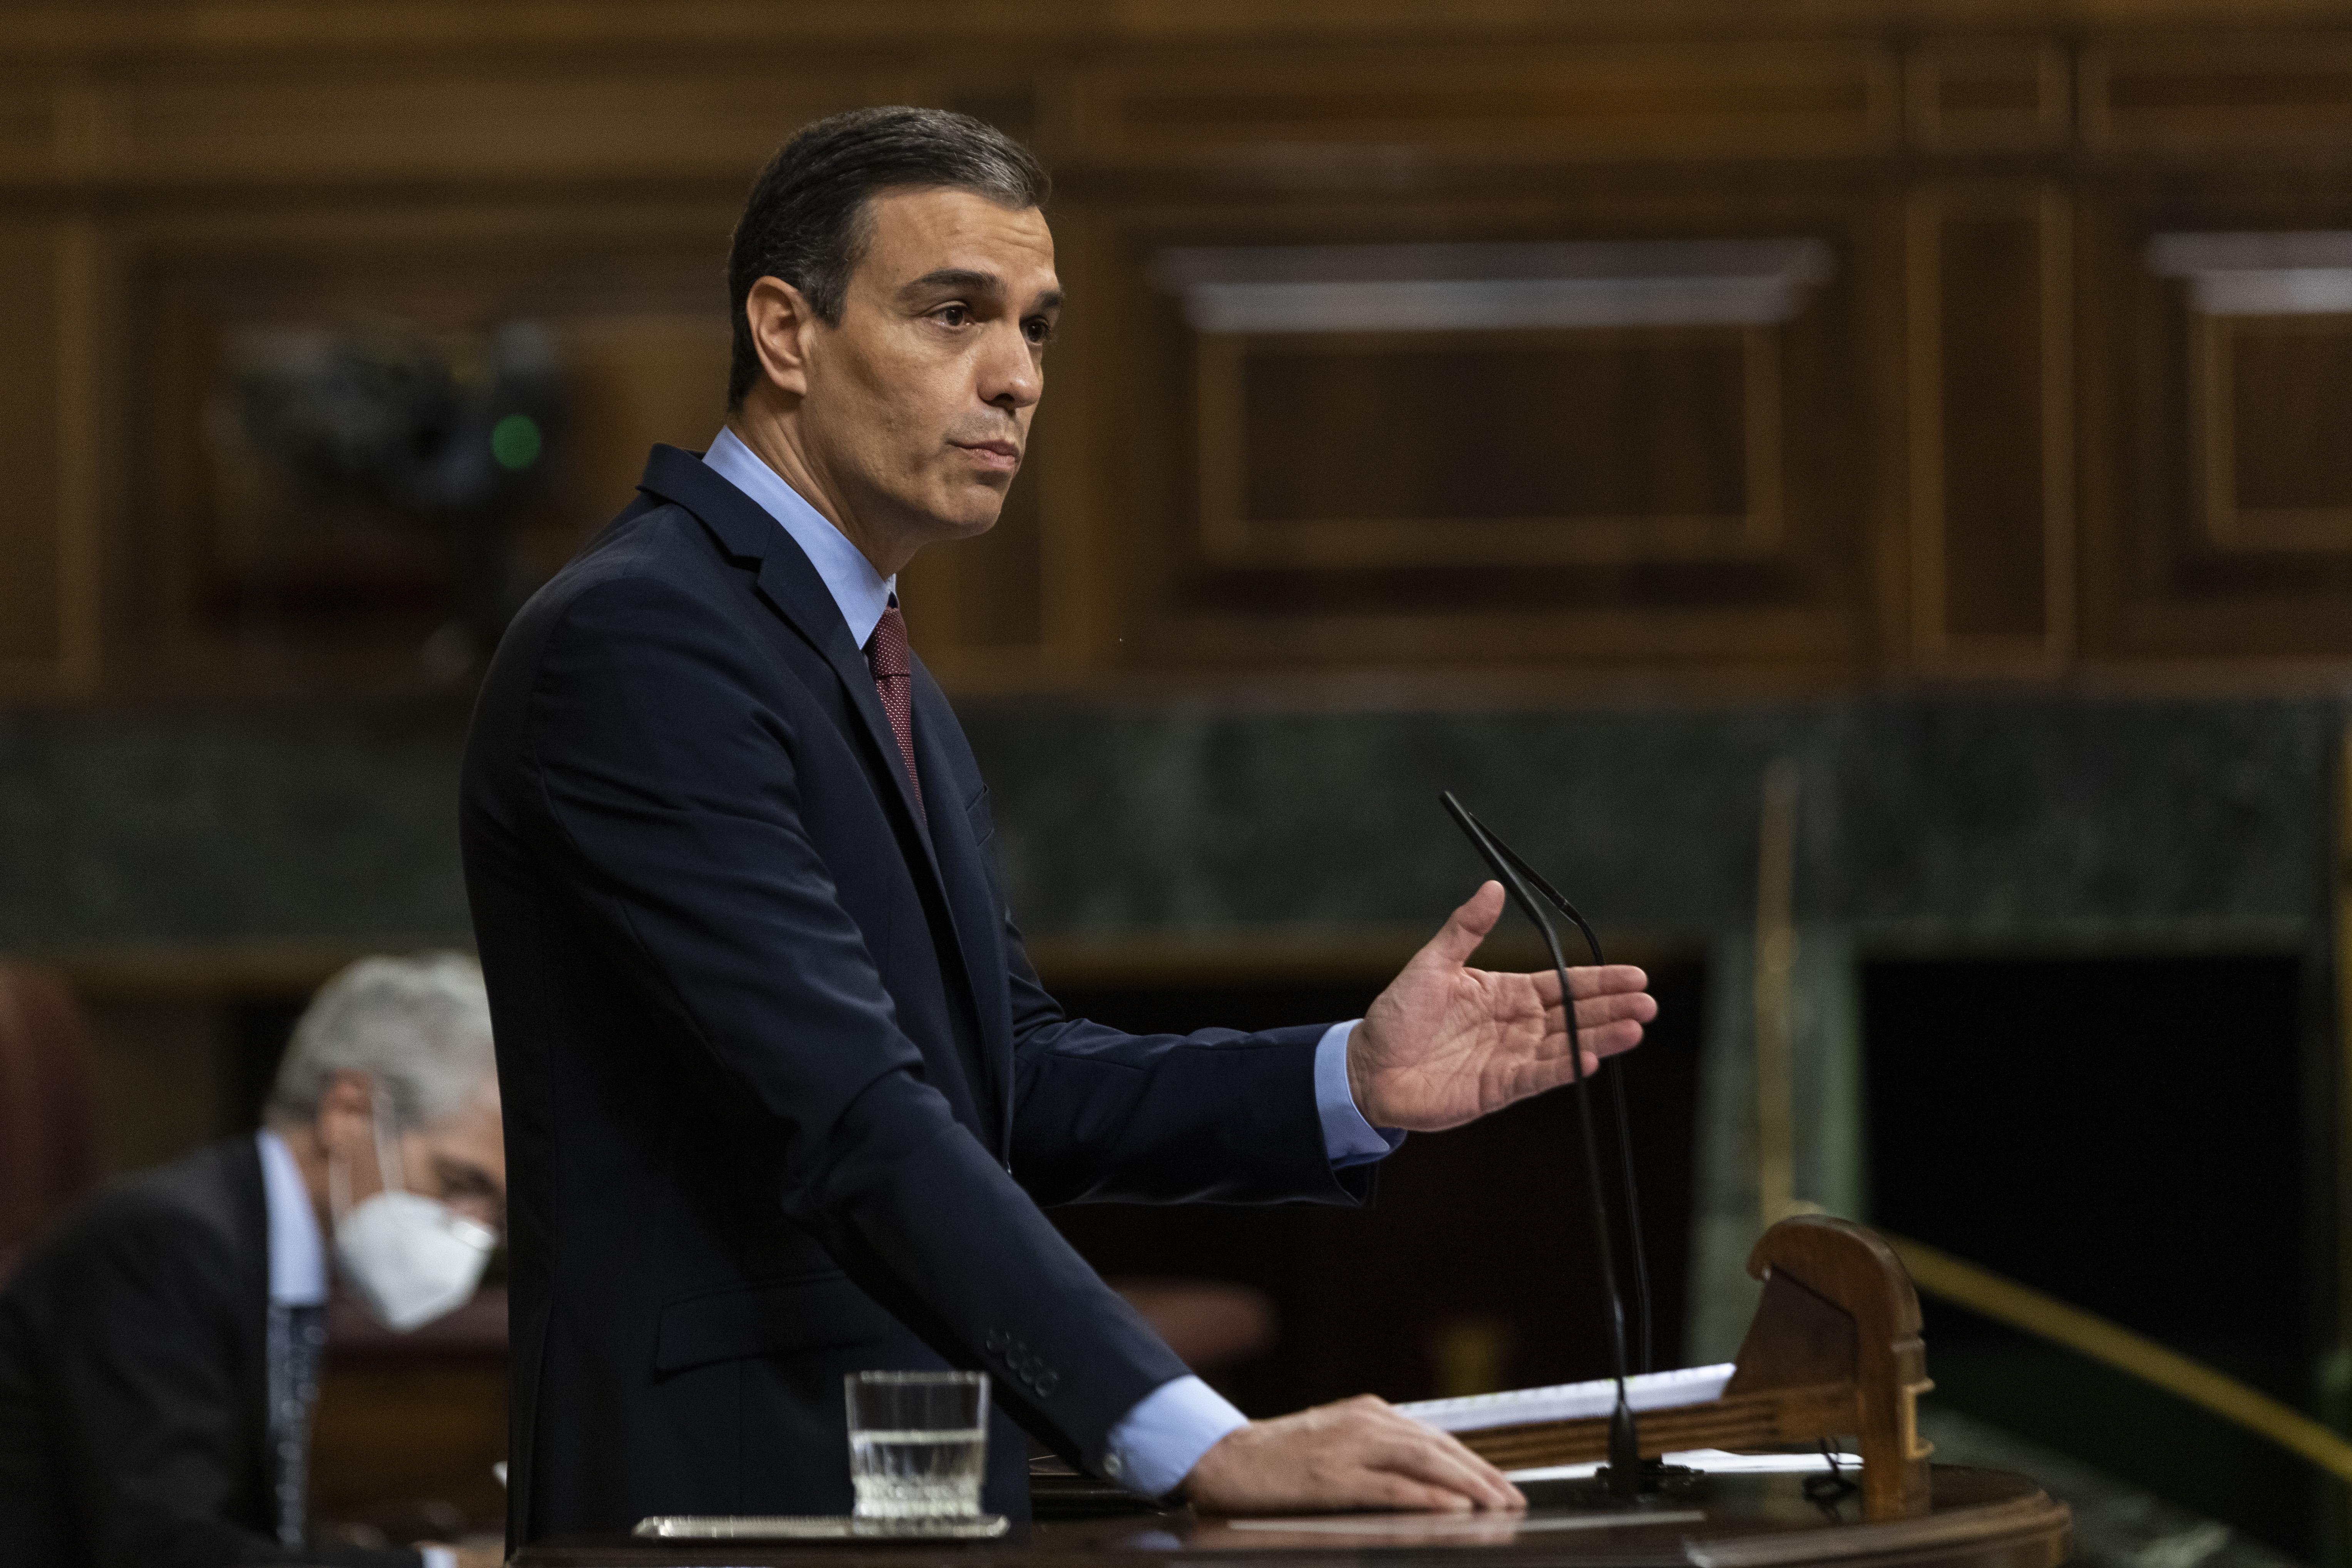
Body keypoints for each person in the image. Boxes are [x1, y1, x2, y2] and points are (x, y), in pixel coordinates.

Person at [459, 106, 1659, 1544]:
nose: (1017, 376)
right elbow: (849, 1113)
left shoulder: (861, 656)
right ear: (786, 333)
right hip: (732, 1496)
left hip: (904, 1488)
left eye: (1036, 327)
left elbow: (1005, 1080)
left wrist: (1348, 1078)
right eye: (953, 314)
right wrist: (1192, 1436)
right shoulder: (644, 640)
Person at [0, 954, 508, 1568]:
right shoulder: (161, 1243)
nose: (474, 1228)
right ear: (347, 1112)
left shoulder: (273, 1246)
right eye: (459, 1181)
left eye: (496, 1211)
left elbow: (260, 1524)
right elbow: (166, 1551)